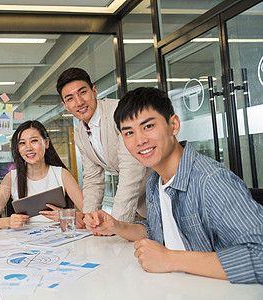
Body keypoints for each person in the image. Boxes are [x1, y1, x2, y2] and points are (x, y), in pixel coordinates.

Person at [84, 87, 263, 284]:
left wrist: (170, 259)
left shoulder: (211, 182)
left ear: (174, 125)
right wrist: (117, 226)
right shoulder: (155, 181)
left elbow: (259, 255)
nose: (140, 141)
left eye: (148, 126)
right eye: (128, 132)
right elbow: (157, 229)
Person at [56, 67, 148, 222]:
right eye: (70, 98)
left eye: (83, 92)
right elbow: (93, 178)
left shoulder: (118, 113)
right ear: (65, 105)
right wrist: (89, 218)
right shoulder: (80, 132)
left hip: (162, 190)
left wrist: (118, 223)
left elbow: (132, 169)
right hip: (143, 204)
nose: (79, 102)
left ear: (94, 91)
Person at [0, 120, 84, 229]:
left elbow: (88, 215)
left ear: (47, 143)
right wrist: (8, 221)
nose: (28, 148)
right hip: (27, 242)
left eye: (34, 141)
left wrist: (64, 215)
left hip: (60, 240)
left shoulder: (62, 174)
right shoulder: (11, 178)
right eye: (22, 143)